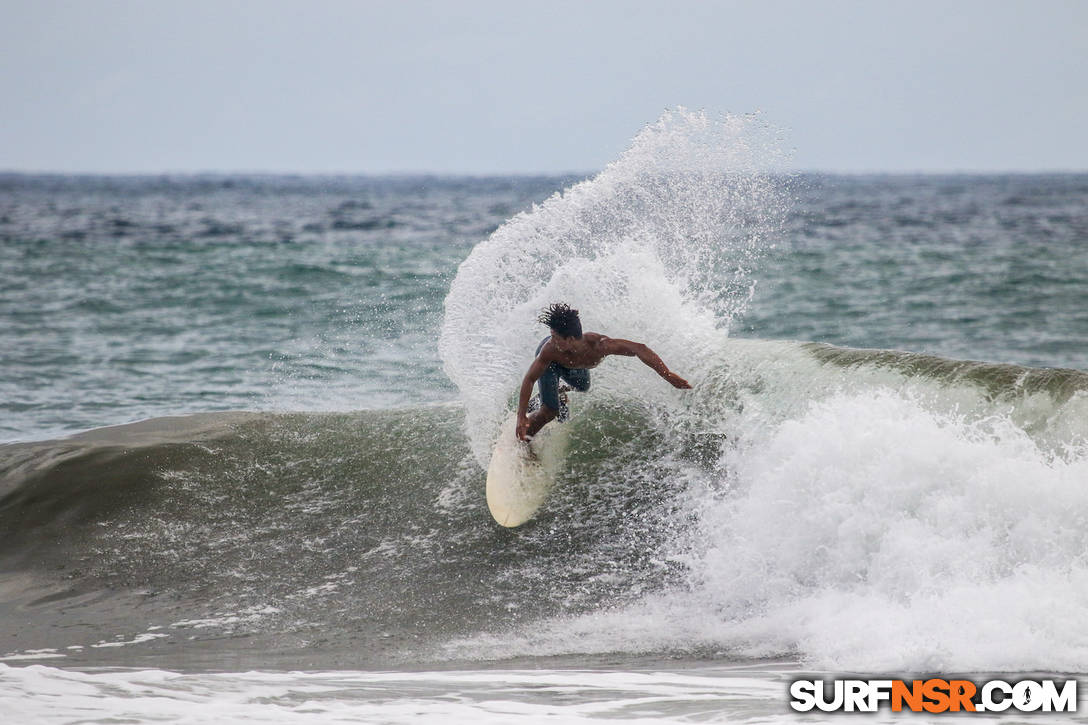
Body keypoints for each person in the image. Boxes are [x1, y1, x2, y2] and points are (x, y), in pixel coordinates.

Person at [516, 303, 692, 441]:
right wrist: (521, 416)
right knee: (551, 411)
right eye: (552, 336)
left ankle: (554, 392)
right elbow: (530, 378)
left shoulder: (600, 346)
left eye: (555, 337)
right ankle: (525, 440)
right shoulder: (549, 350)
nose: (552, 340)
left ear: (570, 339)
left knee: (583, 386)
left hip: (573, 367)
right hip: (552, 366)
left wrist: (667, 375)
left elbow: (640, 349)